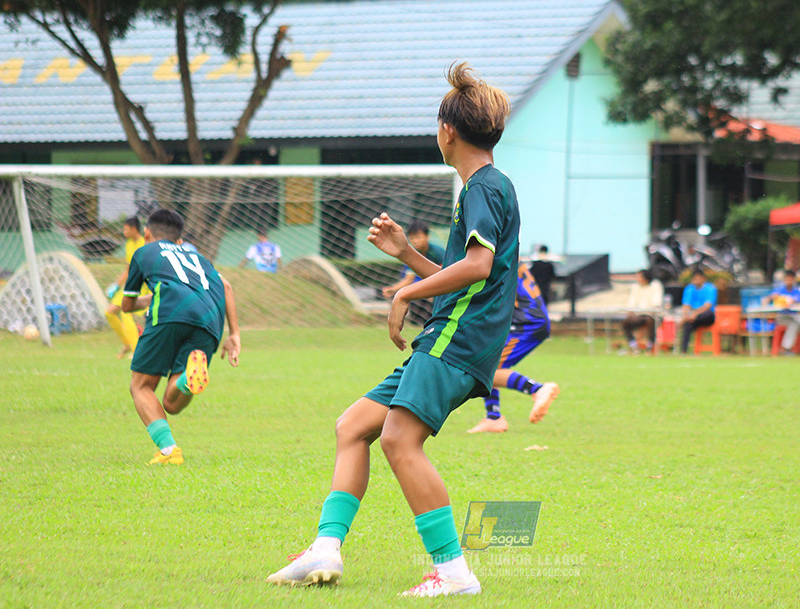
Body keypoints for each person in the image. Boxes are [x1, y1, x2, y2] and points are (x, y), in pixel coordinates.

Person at [266, 62, 517, 597]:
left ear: (447, 131)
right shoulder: (486, 187)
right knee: (354, 426)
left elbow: (477, 268)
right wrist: (407, 255)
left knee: (400, 440)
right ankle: (325, 548)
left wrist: (404, 293)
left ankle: (453, 573)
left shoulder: (483, 188)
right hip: (452, 335)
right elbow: (463, 275)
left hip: (457, 339)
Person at [121, 209, 241, 465]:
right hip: (210, 319)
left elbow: (127, 304)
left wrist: (146, 299)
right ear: (179, 240)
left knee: (141, 386)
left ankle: (169, 450)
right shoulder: (199, 258)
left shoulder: (143, 252)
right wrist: (234, 334)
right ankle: (187, 379)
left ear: (146, 233)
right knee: (171, 404)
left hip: (169, 313)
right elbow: (226, 287)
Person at [466, 262, 560, 433]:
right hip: (528, 318)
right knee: (487, 363)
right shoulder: (507, 253)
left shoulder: (493, 255)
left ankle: (537, 389)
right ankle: (493, 418)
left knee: (483, 369)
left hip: (526, 322)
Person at [382, 221, 446, 326]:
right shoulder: (413, 255)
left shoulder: (438, 253)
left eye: (418, 237)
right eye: (412, 238)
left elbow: (446, 276)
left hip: (442, 292)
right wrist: (393, 290)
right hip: (426, 292)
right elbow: (408, 279)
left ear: (427, 237)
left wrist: (433, 293)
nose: (415, 241)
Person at [104, 216, 146, 358]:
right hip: (130, 285)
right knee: (109, 313)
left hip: (141, 287)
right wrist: (116, 285)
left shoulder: (144, 244)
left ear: (134, 229)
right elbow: (129, 268)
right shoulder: (128, 244)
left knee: (126, 312)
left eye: (126, 229)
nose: (124, 232)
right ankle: (127, 343)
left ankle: (136, 352)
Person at [765, 269, 800, 353]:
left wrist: (793, 301)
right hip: (783, 316)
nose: (789, 282)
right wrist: (772, 298)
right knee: (794, 324)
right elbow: (766, 300)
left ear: (794, 280)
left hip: (796, 315)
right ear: (784, 280)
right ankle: (786, 348)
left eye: (791, 280)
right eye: (787, 279)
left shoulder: (797, 292)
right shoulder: (778, 291)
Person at [621, 269, 664, 354]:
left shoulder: (655, 285)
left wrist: (651, 312)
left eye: (639, 277)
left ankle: (650, 346)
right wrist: (630, 312)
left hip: (653, 314)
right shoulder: (635, 287)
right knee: (626, 324)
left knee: (652, 322)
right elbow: (632, 302)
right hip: (639, 315)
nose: (637, 279)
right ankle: (633, 345)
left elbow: (657, 303)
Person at [679, 268, 717, 353]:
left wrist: (694, 314)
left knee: (706, 314)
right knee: (687, 324)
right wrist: (685, 316)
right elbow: (686, 305)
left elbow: (707, 306)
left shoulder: (710, 288)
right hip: (692, 316)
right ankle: (684, 350)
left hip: (706, 316)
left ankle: (691, 320)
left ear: (703, 278)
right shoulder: (689, 289)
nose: (696, 280)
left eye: (698, 278)